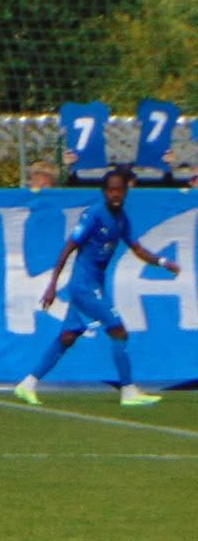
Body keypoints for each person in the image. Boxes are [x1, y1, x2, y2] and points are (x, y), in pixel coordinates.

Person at [15, 168, 181, 407]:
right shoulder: (94, 215)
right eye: (111, 190)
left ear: (125, 191)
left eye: (120, 190)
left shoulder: (122, 218)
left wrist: (164, 262)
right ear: (104, 192)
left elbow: (137, 249)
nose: (116, 194)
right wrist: (52, 286)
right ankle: (128, 391)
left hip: (95, 284)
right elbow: (69, 248)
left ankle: (27, 384)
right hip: (84, 285)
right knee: (118, 331)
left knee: (68, 335)